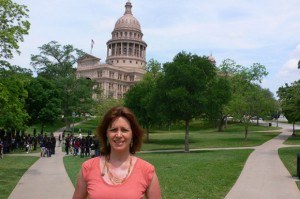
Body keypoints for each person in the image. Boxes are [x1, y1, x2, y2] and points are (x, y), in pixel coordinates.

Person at [73, 106, 161, 199]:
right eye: (113, 130)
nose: (119, 135)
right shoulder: (88, 168)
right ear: (106, 133)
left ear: (132, 134)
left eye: (124, 130)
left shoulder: (147, 170)